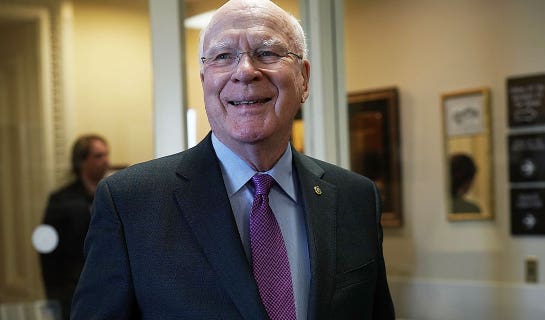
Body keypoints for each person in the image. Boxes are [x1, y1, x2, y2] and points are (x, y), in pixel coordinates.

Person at [71, 1, 395, 319]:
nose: (245, 72)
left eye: (267, 53)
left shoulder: (356, 198)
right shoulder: (131, 204)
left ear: (303, 78)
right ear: (204, 81)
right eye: (224, 56)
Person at [40, 134, 110, 320]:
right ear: (81, 161)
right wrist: (54, 296)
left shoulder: (113, 195)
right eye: (98, 156)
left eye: (106, 155)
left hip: (108, 288)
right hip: (72, 290)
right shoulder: (61, 200)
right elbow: (48, 251)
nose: (106, 161)